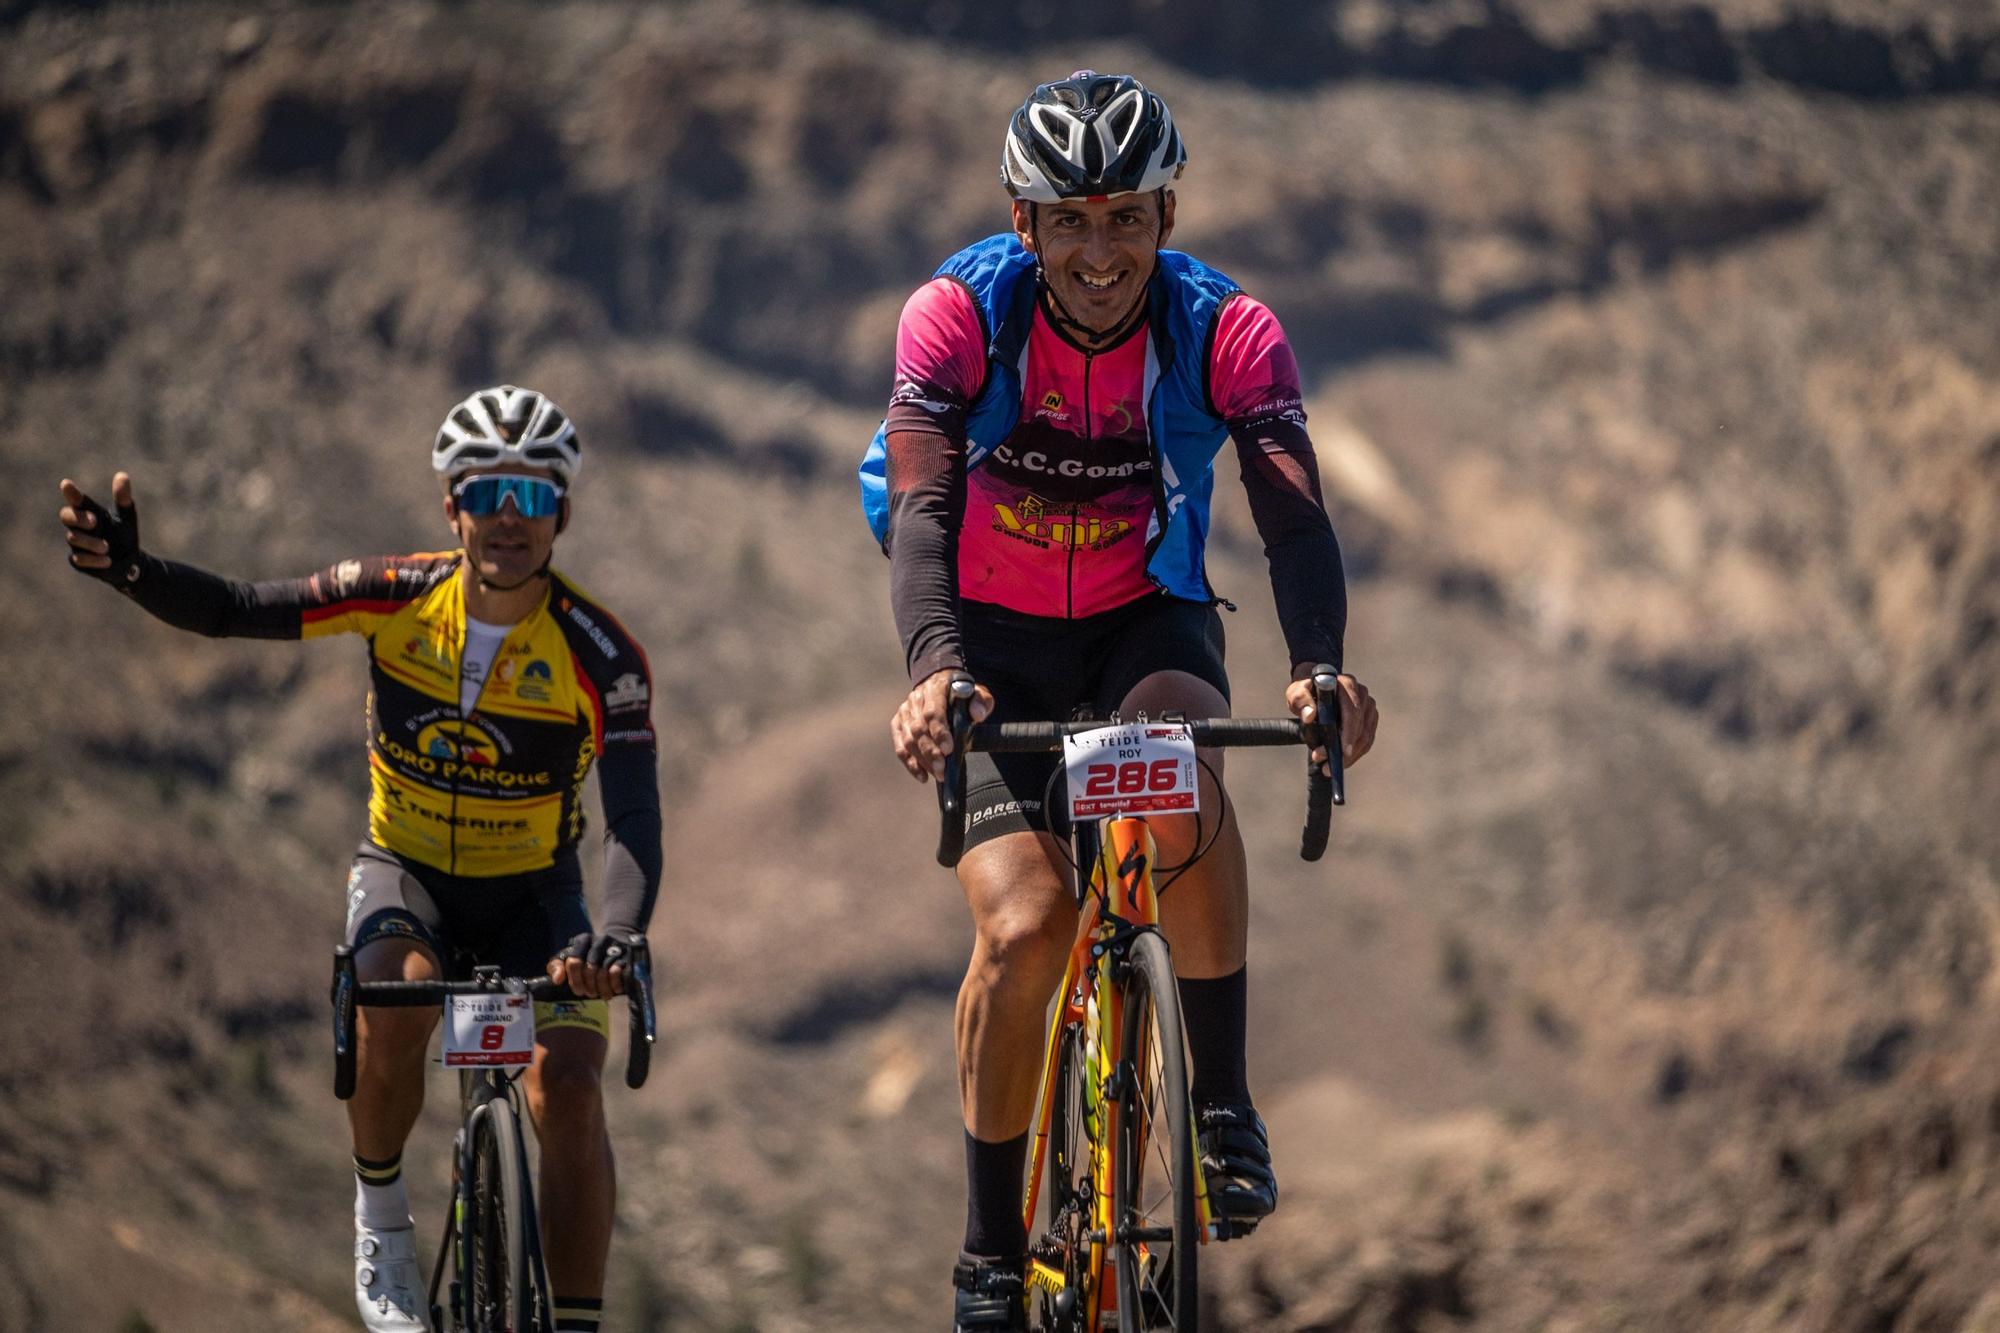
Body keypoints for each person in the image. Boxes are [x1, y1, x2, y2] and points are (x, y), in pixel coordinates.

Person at [860, 72, 1382, 1329]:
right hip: (987, 638)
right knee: (1027, 928)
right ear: (1023, 221)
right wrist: (934, 668)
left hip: (1140, 616)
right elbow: (923, 506)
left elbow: (1291, 513)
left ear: (1165, 214)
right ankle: (990, 1247)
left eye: (1127, 221)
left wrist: (1316, 662)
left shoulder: (1224, 329)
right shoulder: (957, 316)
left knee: (1179, 777)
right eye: (1072, 222)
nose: (1102, 253)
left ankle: (1219, 1103)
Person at [58, 386, 660, 1333]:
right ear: (451, 507)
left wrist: (617, 936)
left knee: (573, 1086)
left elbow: (630, 816)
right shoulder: (393, 595)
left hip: (540, 899)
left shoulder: (602, 653)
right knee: (394, 997)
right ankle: (381, 1215)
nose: (510, 515)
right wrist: (136, 572)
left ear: (563, 516)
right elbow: (238, 608)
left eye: (533, 497)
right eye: (486, 491)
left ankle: (576, 1321)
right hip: (408, 872)